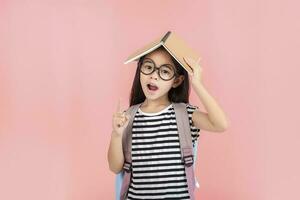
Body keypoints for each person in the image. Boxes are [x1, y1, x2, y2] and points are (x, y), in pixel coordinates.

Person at [108, 46, 229, 199]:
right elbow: (115, 167)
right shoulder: (128, 117)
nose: (153, 76)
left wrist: (197, 84)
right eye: (148, 67)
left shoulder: (185, 114)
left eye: (164, 71)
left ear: (177, 81)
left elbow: (221, 124)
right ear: (140, 71)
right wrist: (117, 135)